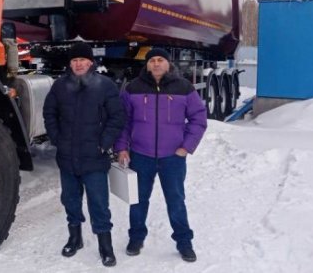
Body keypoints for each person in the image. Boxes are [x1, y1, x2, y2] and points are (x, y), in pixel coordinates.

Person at [114, 48, 207, 262]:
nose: (156, 64)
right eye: (152, 60)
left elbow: (199, 119)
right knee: (138, 200)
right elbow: (123, 121)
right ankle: (136, 238)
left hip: (172, 157)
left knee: (176, 200)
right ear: (146, 64)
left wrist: (186, 147)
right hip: (140, 155)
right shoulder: (133, 88)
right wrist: (122, 148)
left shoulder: (184, 87)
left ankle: (184, 242)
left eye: (160, 60)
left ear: (168, 63)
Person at [43, 41, 126, 267]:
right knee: (70, 200)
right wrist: (56, 138)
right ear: (70, 64)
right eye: (74, 60)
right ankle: (75, 238)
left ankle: (105, 246)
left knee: (99, 203)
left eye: (82, 60)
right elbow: (49, 113)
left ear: (91, 62)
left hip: (94, 158)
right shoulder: (60, 86)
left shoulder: (105, 85)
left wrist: (104, 143)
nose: (78, 64)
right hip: (67, 157)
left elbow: (117, 117)